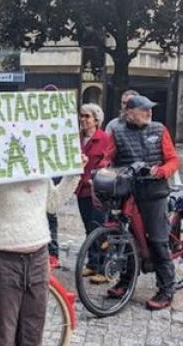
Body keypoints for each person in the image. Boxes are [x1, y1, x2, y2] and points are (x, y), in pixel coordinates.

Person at [0, 171, 80, 346]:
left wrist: (73, 174)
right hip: (2, 261)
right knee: (2, 334)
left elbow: (52, 202)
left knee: (33, 332)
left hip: (38, 258)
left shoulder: (39, 168)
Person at [103, 95, 180, 310]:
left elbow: (173, 159)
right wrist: (104, 168)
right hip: (128, 191)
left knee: (157, 240)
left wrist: (162, 171)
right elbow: (108, 157)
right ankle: (126, 282)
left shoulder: (159, 129)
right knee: (126, 238)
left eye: (150, 109)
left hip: (154, 191)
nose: (149, 112)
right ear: (129, 112)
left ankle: (166, 289)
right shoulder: (117, 132)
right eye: (143, 109)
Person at [74, 103, 112, 280]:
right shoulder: (77, 138)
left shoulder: (104, 138)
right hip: (81, 189)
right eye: (81, 116)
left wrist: (96, 174)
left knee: (98, 228)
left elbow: (107, 161)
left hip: (96, 190)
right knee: (88, 227)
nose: (83, 119)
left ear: (96, 119)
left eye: (87, 116)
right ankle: (92, 263)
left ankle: (104, 269)